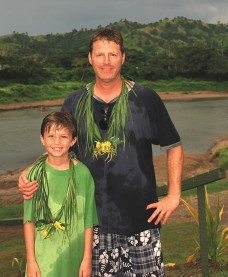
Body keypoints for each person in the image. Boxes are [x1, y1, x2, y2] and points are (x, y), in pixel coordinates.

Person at [19, 28, 183, 276]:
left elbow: (173, 146)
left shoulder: (146, 99)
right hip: (90, 225)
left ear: (123, 58)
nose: (106, 62)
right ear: (90, 58)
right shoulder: (74, 102)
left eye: (112, 55)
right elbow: (58, 146)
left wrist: (173, 195)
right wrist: (30, 171)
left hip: (141, 220)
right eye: (100, 55)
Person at [23, 111, 98, 277]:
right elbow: (29, 221)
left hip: (74, 256)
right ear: (42, 139)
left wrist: (87, 258)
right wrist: (31, 261)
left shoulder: (83, 174)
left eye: (63, 137)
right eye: (51, 136)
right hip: (43, 259)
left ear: (73, 140)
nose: (57, 142)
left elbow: (88, 221)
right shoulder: (34, 175)